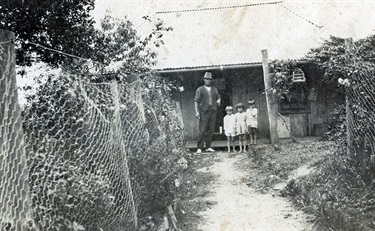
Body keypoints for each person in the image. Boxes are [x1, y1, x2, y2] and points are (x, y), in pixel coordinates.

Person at [194, 72, 221, 154]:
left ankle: (208, 146)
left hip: (213, 111)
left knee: (211, 129)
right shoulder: (200, 89)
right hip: (204, 111)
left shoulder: (214, 89)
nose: (208, 81)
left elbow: (218, 96)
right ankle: (199, 147)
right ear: (204, 79)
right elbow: (196, 101)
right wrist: (197, 112)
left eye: (209, 79)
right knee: (202, 130)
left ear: (211, 80)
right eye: (206, 79)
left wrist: (219, 100)